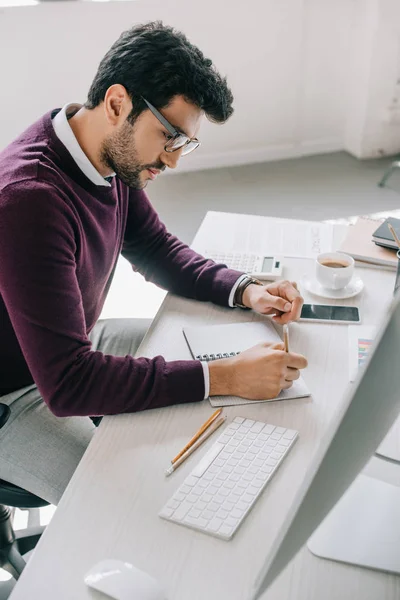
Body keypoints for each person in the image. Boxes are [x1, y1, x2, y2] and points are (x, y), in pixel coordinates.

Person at [0, 22, 307, 505]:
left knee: (207, 341)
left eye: (183, 143)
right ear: (118, 103)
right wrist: (225, 376)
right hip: (14, 392)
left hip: (66, 340)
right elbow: (69, 385)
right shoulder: (29, 201)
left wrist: (247, 289)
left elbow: (156, 248)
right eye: (168, 137)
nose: (173, 160)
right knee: (135, 504)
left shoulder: (104, 150)